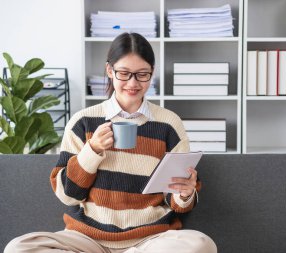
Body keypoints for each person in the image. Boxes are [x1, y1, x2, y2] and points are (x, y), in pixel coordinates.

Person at [4, 32, 217, 253]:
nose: (133, 83)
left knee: (201, 245)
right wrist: (92, 150)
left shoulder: (169, 124)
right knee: (18, 248)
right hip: (87, 238)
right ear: (109, 71)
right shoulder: (83, 122)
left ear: (151, 74)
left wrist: (184, 194)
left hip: (149, 239)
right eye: (124, 73)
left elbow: (178, 204)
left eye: (142, 74)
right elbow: (67, 197)